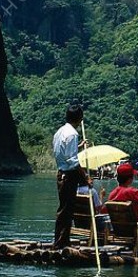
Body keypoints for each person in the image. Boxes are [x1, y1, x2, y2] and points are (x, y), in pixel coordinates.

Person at [52, 104, 85, 249]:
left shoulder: (60, 132)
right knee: (66, 210)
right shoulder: (72, 134)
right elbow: (72, 161)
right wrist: (85, 178)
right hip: (69, 176)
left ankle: (62, 240)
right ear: (79, 118)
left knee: (65, 209)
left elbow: (62, 152)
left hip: (61, 174)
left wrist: (78, 147)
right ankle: (61, 243)